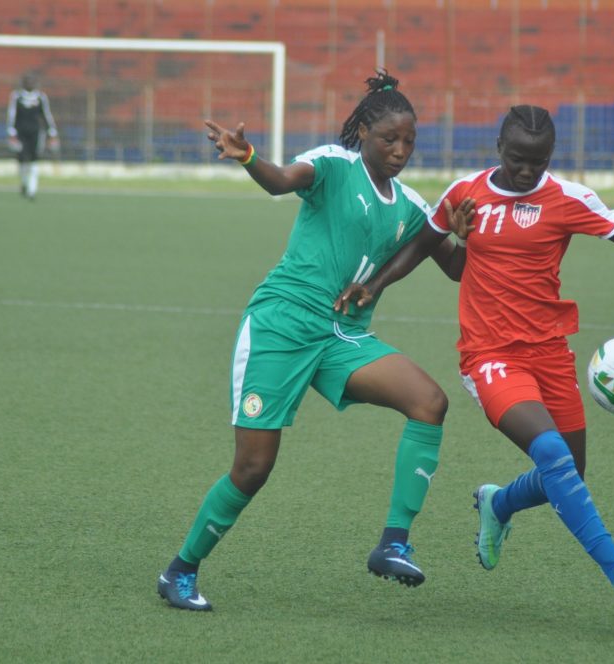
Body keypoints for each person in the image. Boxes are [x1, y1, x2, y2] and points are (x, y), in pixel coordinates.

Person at [334, 104, 614, 612]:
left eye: (536, 162)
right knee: (554, 458)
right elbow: (423, 245)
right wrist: (377, 283)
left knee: (569, 473)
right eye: (517, 158)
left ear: (550, 158)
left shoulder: (567, 198)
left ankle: (499, 502)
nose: (525, 170)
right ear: (499, 148)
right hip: (489, 356)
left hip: (550, 354)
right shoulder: (466, 193)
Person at [157, 71, 465, 612]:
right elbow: (281, 181)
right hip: (282, 324)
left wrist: (468, 232)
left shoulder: (412, 204)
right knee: (253, 468)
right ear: (363, 131)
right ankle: (180, 569)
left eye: (410, 142)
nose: (400, 151)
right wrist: (249, 155)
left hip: (342, 337)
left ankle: (393, 542)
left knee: (429, 403)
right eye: (389, 139)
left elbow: (456, 267)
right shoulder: (333, 164)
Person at [6, 72, 59, 201]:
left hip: (36, 133)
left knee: (34, 160)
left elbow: (46, 115)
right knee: (22, 160)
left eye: (32, 81)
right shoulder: (16, 96)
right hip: (20, 134)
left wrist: (52, 133)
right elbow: (11, 115)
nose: (30, 84)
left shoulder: (41, 97)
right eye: (27, 81)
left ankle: (32, 190)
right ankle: (24, 183)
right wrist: (11, 133)